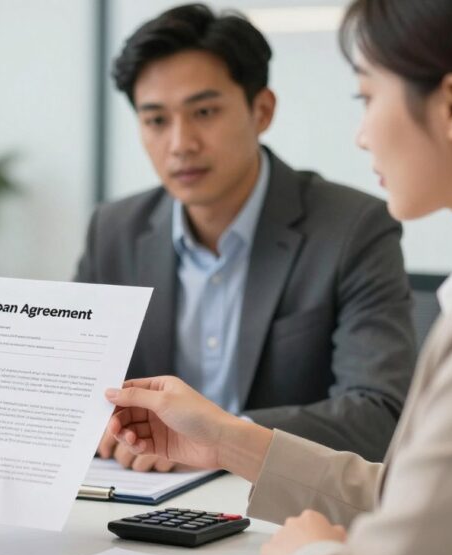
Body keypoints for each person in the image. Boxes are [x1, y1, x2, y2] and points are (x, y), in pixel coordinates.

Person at [105, 0, 452, 555]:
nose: (360, 134)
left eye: (367, 98)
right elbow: (419, 496)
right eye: (155, 120)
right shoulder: (116, 227)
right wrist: (227, 441)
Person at [78, 3, 416, 468]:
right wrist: (95, 424)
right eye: (156, 120)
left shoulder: (352, 228)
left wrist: (222, 440)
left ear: (262, 110)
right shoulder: (113, 230)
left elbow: (378, 413)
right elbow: (75, 389)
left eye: (204, 112)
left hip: (277, 508)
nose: (180, 143)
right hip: (143, 498)